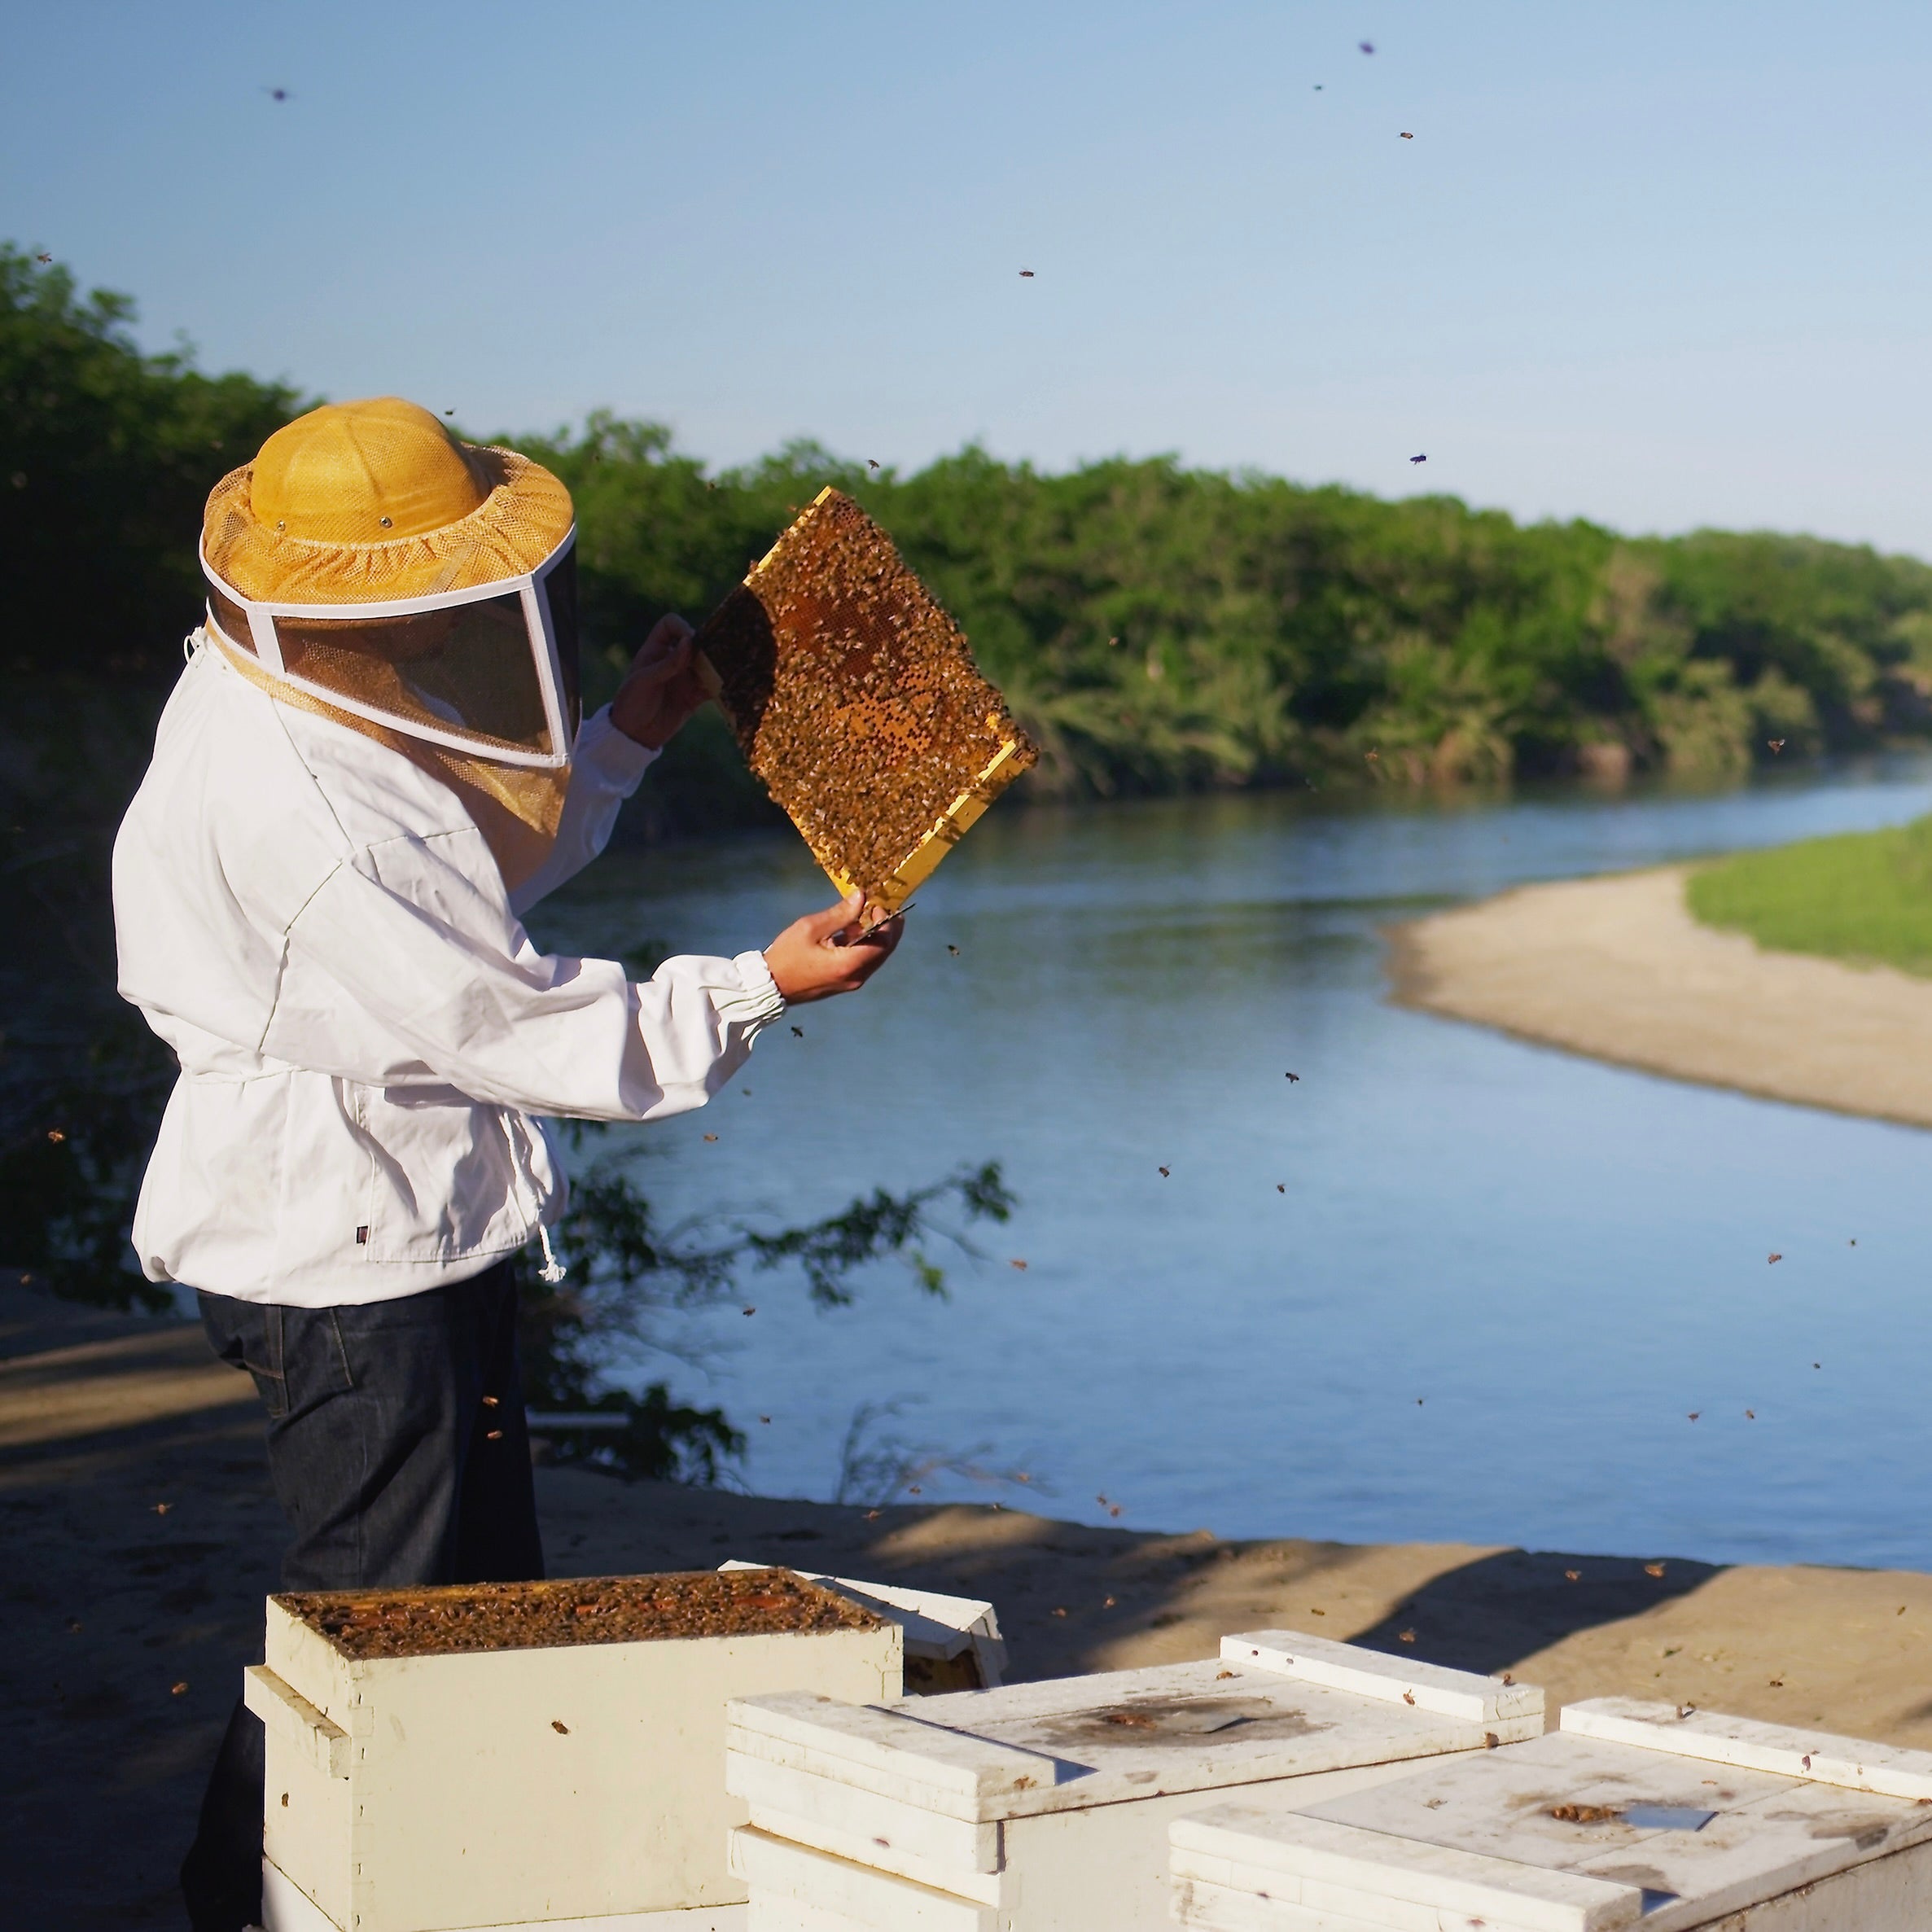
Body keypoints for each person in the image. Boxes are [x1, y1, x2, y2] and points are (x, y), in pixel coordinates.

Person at [111, 396, 900, 1932]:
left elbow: (454, 885)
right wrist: (752, 986)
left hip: (391, 1222)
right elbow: (503, 1014)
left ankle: (426, 1891)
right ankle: (246, 1898)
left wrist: (616, 740)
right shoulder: (306, 805)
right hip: (341, 1257)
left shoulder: (283, 702)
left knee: (477, 1620)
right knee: (375, 1627)